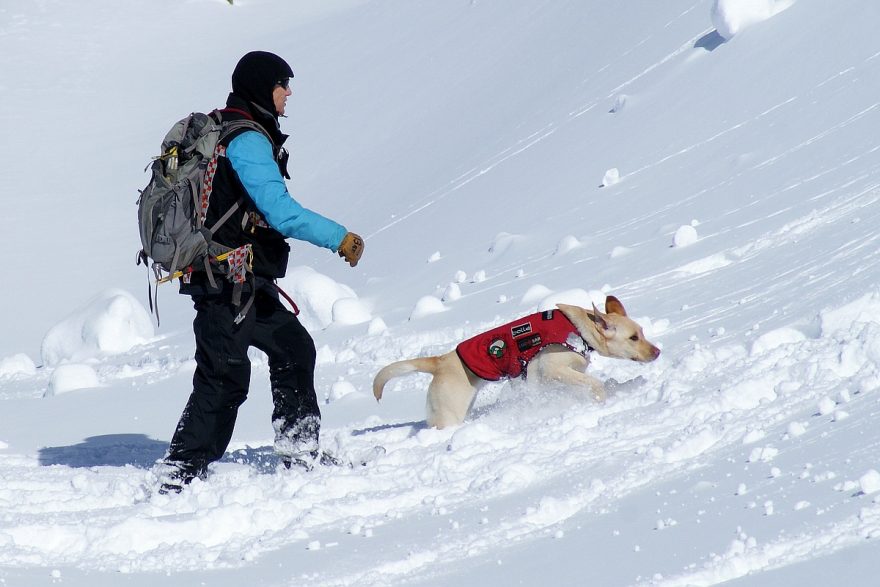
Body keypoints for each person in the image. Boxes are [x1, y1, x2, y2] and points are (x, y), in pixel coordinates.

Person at [156, 51, 364, 493]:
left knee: (294, 349)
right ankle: (179, 473)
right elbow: (281, 212)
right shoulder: (247, 139)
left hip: (244, 280)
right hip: (222, 282)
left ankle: (300, 450)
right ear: (260, 88)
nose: (289, 92)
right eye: (282, 84)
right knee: (224, 377)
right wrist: (339, 236)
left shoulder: (235, 129)